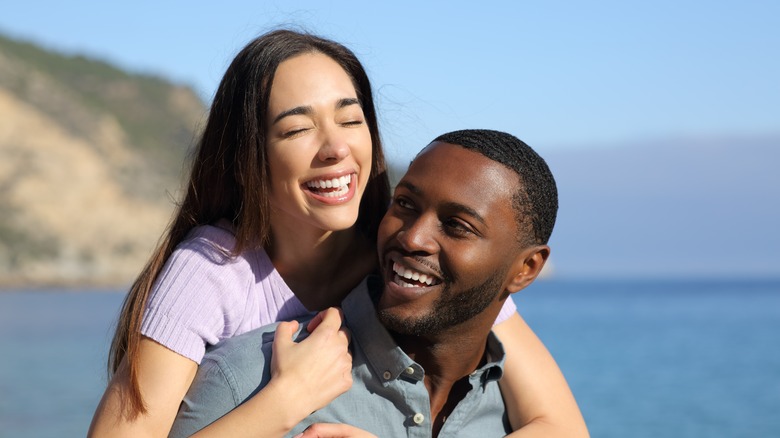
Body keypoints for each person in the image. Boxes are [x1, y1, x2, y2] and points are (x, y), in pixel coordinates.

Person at [88, 29, 585, 437]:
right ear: (248, 158)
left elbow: (560, 425)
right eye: (296, 129)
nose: (335, 149)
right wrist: (287, 399)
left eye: (350, 119)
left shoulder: (404, 252)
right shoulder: (215, 269)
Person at [169, 129, 588, 438]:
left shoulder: (516, 415)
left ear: (526, 269)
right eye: (404, 204)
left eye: (457, 226)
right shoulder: (249, 380)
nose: (411, 237)